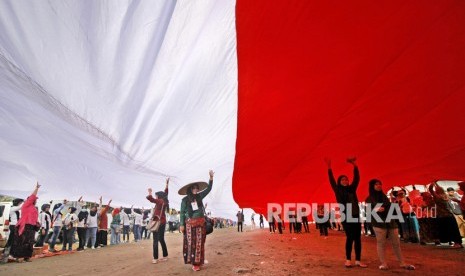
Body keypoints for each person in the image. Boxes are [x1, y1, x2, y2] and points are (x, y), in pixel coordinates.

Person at [325, 157, 367, 268]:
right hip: (346, 216)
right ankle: (348, 259)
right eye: (343, 179)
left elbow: (357, 179)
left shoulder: (352, 189)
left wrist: (355, 166)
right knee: (350, 237)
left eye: (346, 179)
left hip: (355, 215)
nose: (345, 181)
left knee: (358, 238)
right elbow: (332, 181)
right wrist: (329, 168)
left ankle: (358, 260)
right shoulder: (337, 190)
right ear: (340, 182)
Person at [366, 179, 415, 270]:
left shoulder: (384, 197)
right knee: (381, 243)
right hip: (378, 223)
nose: (379, 185)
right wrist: (376, 210)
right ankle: (383, 263)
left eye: (380, 184)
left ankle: (402, 262)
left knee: (396, 243)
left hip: (390, 222)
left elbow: (389, 207)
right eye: (376, 184)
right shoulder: (369, 199)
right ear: (372, 186)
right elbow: (368, 212)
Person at [179, 170, 214, 271]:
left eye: (197, 188)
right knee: (192, 244)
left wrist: (211, 179)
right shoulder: (184, 200)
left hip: (201, 223)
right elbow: (182, 213)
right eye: (194, 188)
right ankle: (195, 263)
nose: (196, 189)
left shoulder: (200, 196)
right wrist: (181, 225)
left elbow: (209, 189)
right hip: (190, 225)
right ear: (190, 189)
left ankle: (199, 261)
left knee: (200, 243)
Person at [11, 182, 41, 262]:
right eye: (35, 200)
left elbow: (35, 217)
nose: (35, 200)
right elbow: (32, 197)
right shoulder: (26, 205)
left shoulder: (34, 207)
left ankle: (27, 257)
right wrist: (37, 188)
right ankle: (18, 257)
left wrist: (37, 224)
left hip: (31, 227)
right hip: (24, 226)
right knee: (22, 241)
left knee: (30, 242)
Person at [146, 177, 170, 264]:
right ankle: (165, 255)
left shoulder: (159, 201)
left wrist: (150, 193)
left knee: (155, 240)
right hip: (162, 222)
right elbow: (166, 193)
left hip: (157, 222)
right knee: (161, 239)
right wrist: (167, 185)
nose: (156, 196)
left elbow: (151, 199)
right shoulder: (164, 201)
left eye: (156, 195)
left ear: (159, 196)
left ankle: (155, 258)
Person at [1, 198, 24, 263]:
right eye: (20, 202)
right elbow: (21, 206)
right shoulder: (12, 208)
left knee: (14, 241)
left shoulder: (15, 209)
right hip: (13, 226)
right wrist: (26, 201)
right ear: (17, 203)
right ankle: (5, 256)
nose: (20, 203)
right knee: (11, 241)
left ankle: (9, 255)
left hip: (16, 226)